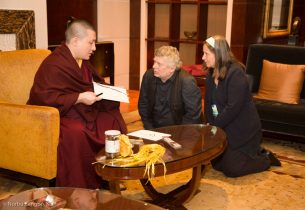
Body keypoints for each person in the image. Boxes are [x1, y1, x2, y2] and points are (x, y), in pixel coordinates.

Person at [27, 19, 127, 188]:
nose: (94, 48)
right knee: (76, 132)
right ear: (75, 41)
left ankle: (109, 175)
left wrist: (112, 91)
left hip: (81, 110)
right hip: (59, 114)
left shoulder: (81, 61)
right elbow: (43, 98)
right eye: (91, 42)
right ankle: (82, 185)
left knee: (111, 119)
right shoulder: (54, 64)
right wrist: (79, 97)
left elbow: (93, 83)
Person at [202, 35, 281, 177]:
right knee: (217, 164)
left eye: (206, 54)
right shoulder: (210, 73)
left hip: (243, 131)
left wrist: (215, 126)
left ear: (218, 54)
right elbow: (207, 102)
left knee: (232, 170)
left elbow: (233, 108)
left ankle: (265, 158)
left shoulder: (235, 73)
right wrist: (210, 125)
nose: (203, 57)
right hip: (224, 127)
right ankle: (247, 154)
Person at [138, 45, 202, 129]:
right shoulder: (149, 76)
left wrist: (178, 134)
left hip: (180, 130)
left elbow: (193, 114)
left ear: (172, 68)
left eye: (159, 64)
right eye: (154, 62)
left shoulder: (187, 81)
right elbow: (143, 104)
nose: (154, 66)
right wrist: (150, 129)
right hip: (153, 128)